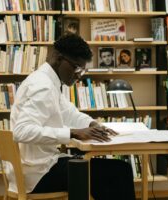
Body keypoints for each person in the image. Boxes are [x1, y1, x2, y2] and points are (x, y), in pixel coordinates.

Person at [9, 33, 135, 200]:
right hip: (37, 174)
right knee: (118, 171)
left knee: (111, 171)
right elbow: (21, 131)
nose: (78, 75)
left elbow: (68, 113)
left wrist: (91, 124)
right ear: (58, 58)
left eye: (82, 70)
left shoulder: (47, 81)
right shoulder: (43, 87)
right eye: (76, 67)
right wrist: (72, 133)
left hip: (38, 167)